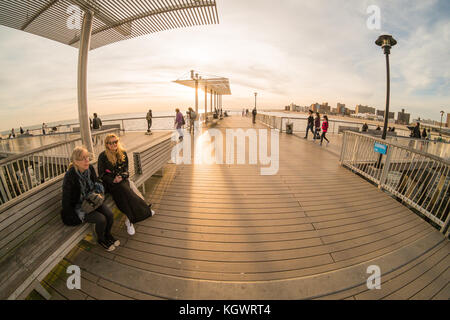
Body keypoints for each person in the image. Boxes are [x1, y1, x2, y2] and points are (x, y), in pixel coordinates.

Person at [61, 146, 118, 251]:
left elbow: (96, 182)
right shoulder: (70, 176)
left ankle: (108, 235)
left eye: (87, 157)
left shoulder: (90, 168)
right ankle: (101, 239)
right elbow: (66, 199)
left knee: (109, 214)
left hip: (92, 200)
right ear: (76, 162)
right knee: (101, 219)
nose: (87, 160)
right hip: (79, 207)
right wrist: (72, 216)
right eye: (83, 158)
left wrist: (98, 194)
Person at [98, 134, 155, 236]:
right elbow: (102, 175)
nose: (114, 144)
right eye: (111, 143)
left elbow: (126, 171)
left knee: (126, 189)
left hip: (122, 180)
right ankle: (144, 210)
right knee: (125, 189)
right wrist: (113, 180)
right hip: (111, 184)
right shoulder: (102, 156)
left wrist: (122, 177)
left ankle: (130, 219)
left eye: (116, 141)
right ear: (107, 144)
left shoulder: (122, 153)